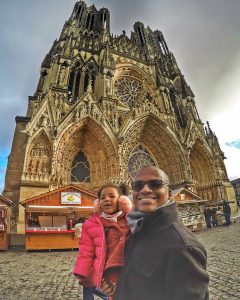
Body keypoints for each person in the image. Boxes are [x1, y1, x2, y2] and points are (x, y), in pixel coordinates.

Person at [112, 166, 209, 300]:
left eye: (155, 184)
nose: (145, 190)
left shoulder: (183, 247)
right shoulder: (138, 229)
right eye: (138, 185)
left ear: (169, 193)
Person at [73, 183, 132, 300]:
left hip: (129, 273)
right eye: (103, 197)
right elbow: (86, 252)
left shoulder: (131, 219)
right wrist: (82, 273)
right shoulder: (90, 224)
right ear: (98, 202)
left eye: (111, 196)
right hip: (105, 274)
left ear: (121, 200)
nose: (107, 199)